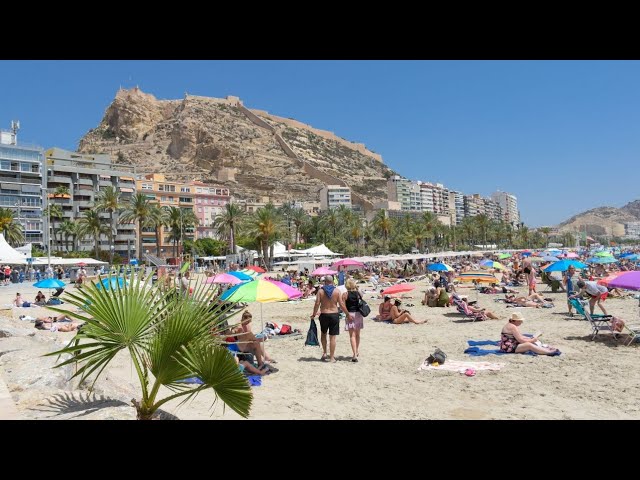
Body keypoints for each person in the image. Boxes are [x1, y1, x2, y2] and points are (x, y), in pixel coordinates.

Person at [311, 275, 349, 363]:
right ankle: (332, 357)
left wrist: (314, 314)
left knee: (323, 334)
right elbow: (341, 304)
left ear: (325, 282)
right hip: (334, 314)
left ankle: (324, 353)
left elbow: (317, 303)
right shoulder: (337, 291)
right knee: (333, 337)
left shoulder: (320, 291)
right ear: (332, 281)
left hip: (324, 314)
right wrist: (347, 314)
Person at [342, 278, 364, 362]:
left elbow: (342, 306)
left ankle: (354, 353)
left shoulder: (345, 294)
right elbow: (362, 297)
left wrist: (347, 314)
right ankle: (356, 351)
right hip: (358, 314)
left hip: (350, 314)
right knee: (357, 334)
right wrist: (357, 288)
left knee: (352, 335)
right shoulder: (358, 293)